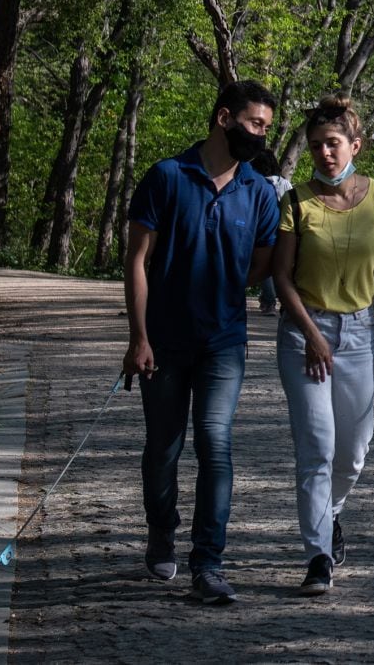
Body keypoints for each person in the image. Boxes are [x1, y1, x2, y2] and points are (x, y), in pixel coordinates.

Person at [122, 79, 279, 605]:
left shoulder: (257, 190)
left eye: (266, 128)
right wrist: (139, 337)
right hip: (163, 343)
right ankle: (161, 529)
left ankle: (208, 561)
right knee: (164, 449)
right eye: (255, 124)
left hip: (223, 344)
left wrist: (228, 283)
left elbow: (261, 264)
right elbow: (136, 260)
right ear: (223, 118)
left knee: (216, 444)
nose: (260, 136)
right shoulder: (167, 176)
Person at [271, 95, 374, 596]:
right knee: (318, 450)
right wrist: (309, 333)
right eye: (315, 146)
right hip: (304, 334)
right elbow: (281, 278)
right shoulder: (295, 201)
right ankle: (318, 556)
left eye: (332, 144)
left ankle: (332, 514)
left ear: (355, 145)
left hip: (360, 334)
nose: (324, 154)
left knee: (353, 453)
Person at [251, 150, 293, 316]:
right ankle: (286, 302)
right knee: (285, 265)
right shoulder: (284, 182)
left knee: (265, 264)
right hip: (285, 228)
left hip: (263, 227)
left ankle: (269, 302)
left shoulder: (257, 183)